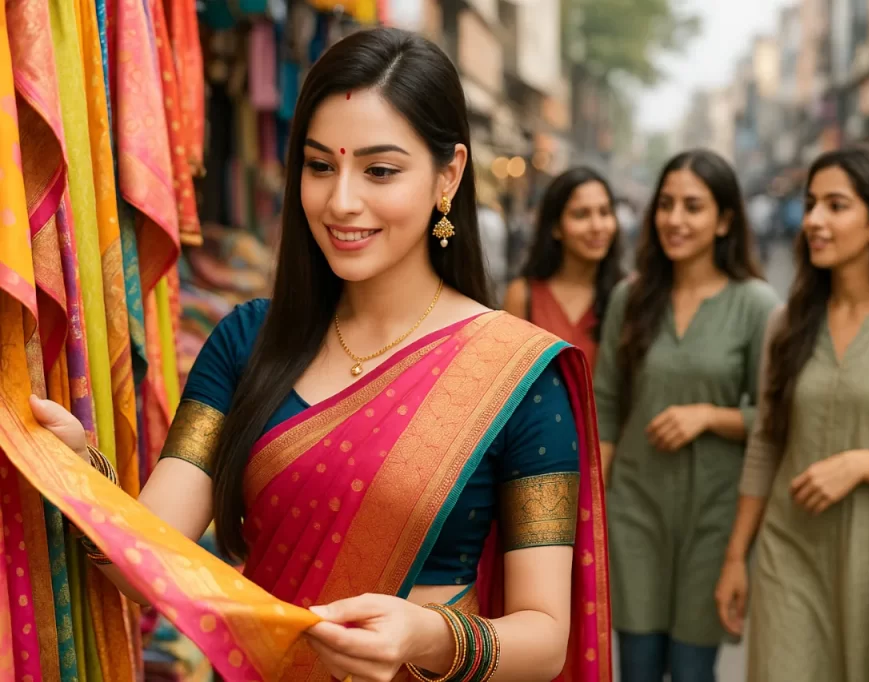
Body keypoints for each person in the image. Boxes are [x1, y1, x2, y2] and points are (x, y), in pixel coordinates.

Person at [28, 28, 611, 682]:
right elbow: (147, 561)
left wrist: (428, 636)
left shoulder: (518, 376)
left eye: (379, 170)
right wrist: (76, 472)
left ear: (449, 175)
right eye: (320, 166)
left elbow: (545, 636)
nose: (341, 202)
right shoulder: (247, 342)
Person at [715, 146, 869, 682]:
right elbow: (766, 442)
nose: (813, 220)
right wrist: (737, 556)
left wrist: (860, 464)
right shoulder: (787, 323)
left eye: (836, 206)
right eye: (811, 205)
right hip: (791, 555)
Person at [593, 149, 779, 682]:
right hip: (634, 510)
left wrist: (710, 417)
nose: (676, 219)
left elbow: (775, 423)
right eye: (667, 204)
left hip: (715, 517)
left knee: (695, 670)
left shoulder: (757, 305)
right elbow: (605, 406)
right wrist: (594, 514)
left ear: (724, 220)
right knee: (639, 668)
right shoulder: (630, 299)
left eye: (693, 207)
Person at [504, 167, 623, 370]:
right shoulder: (523, 296)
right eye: (581, 215)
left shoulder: (624, 296)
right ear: (556, 227)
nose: (597, 226)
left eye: (604, 212)